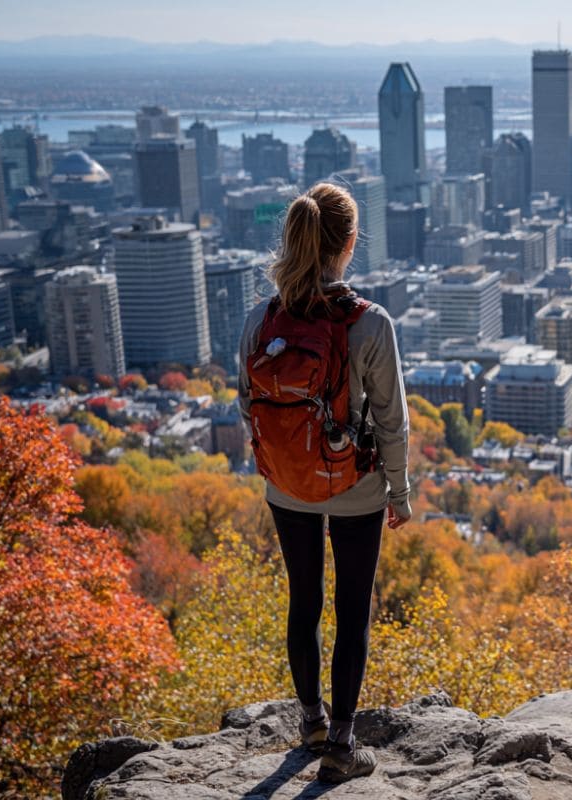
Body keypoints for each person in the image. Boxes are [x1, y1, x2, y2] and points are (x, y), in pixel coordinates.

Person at [237, 182, 411, 783]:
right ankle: (341, 745)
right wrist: (401, 492)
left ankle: (310, 721)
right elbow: (392, 418)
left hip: (286, 487)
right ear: (350, 243)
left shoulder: (262, 320)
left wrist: (283, 460)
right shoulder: (369, 323)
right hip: (356, 488)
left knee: (303, 601)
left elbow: (246, 402)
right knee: (351, 611)